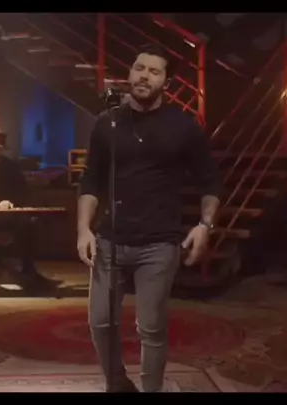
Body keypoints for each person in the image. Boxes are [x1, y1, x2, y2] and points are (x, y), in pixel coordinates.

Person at [76, 44, 221, 392]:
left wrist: (205, 225)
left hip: (159, 244)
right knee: (100, 322)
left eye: (154, 71)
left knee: (151, 328)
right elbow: (91, 180)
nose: (144, 76)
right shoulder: (107, 122)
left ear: (166, 83)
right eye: (139, 68)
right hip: (110, 239)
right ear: (130, 73)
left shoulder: (183, 126)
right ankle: (118, 385)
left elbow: (210, 181)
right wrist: (83, 229)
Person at [0, 127, 56, 291]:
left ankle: (28, 270)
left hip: (9, 219)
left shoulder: (12, 168)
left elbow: (22, 191)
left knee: (30, 225)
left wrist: (9, 201)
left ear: (1, 150)